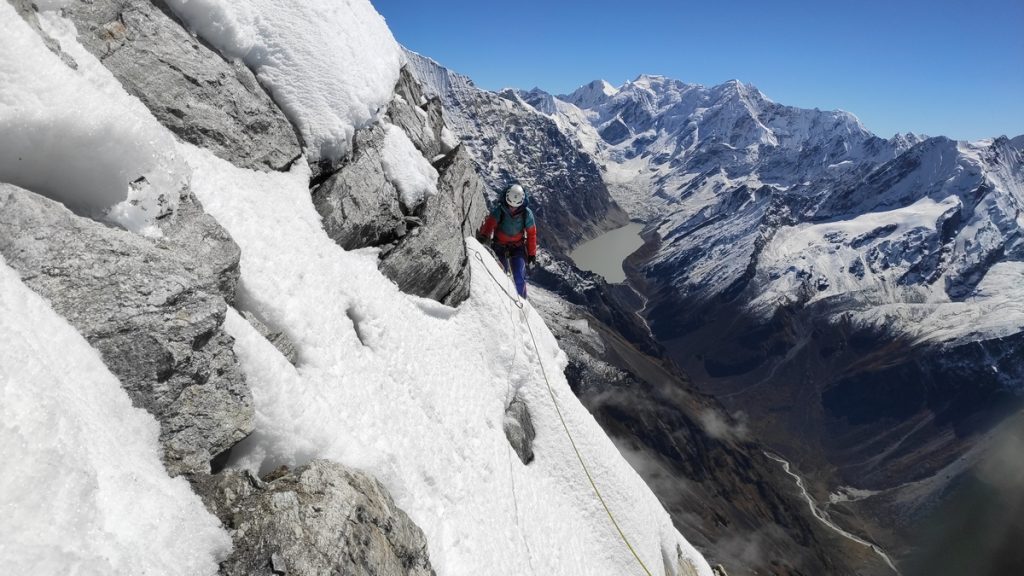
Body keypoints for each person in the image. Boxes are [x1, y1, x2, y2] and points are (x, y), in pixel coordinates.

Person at [476, 183, 537, 299]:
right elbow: (490, 223)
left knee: (519, 277)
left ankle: (522, 304)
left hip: (517, 247)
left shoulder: (526, 214)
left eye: (515, 206)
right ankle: (502, 301)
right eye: (510, 205)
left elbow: (531, 234)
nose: (512, 208)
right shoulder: (500, 210)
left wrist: (532, 253)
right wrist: (484, 235)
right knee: (501, 275)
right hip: (500, 245)